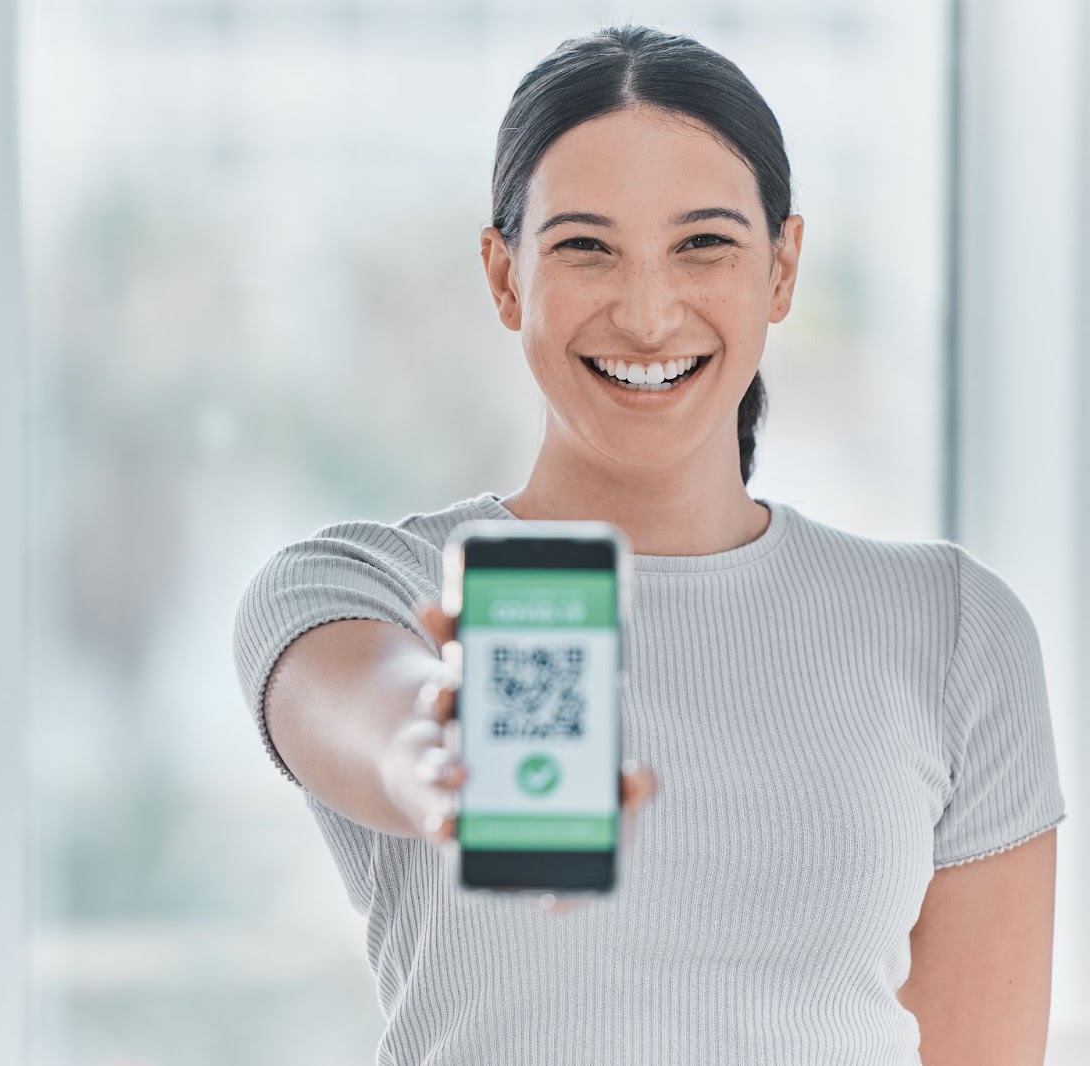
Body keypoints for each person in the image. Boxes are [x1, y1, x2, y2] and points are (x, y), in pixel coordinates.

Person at [230, 23, 1068, 1066]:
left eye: (702, 244)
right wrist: (439, 755)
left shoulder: (950, 629)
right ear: (503, 275)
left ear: (780, 267)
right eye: (584, 246)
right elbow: (369, 709)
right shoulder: (372, 587)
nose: (645, 310)